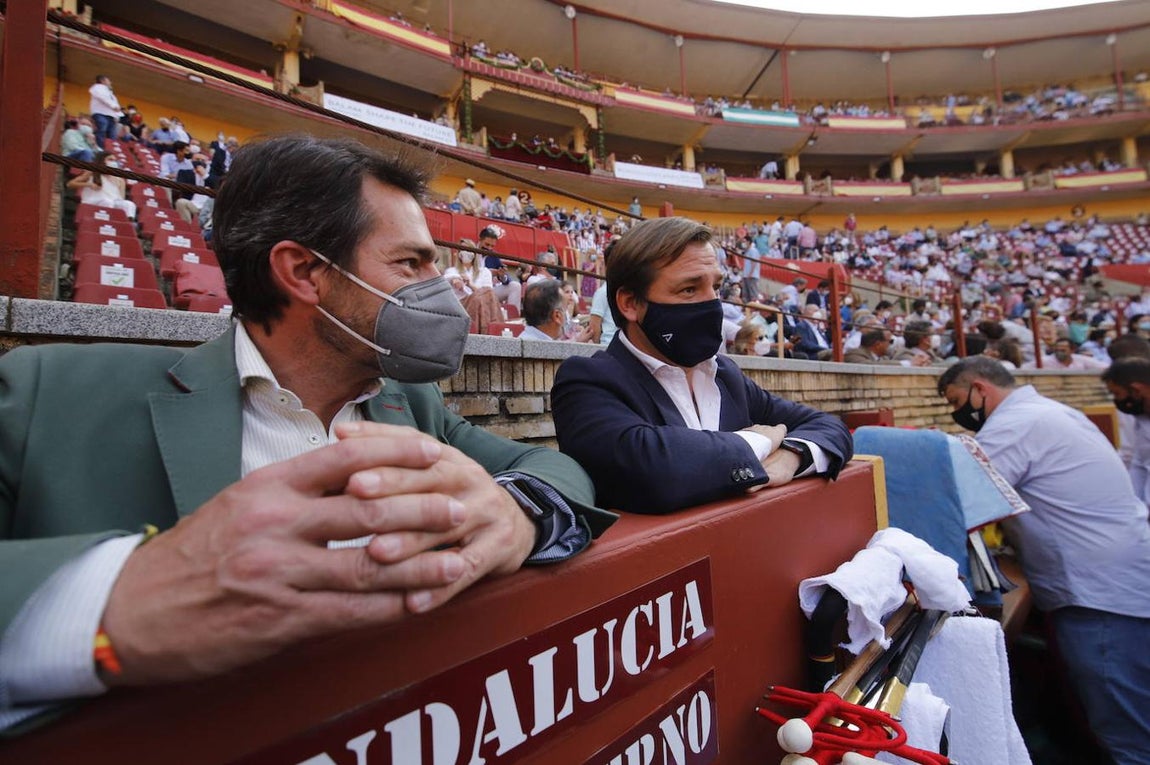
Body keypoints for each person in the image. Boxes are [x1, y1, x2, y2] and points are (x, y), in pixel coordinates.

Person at [0, 135, 615, 732]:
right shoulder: (45, 393)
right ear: (302, 272)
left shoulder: (413, 403)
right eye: (411, 263)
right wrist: (115, 599)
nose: (443, 288)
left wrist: (517, 513)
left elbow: (551, 468)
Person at [551, 217, 852, 515]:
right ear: (630, 303)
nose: (713, 304)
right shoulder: (587, 380)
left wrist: (792, 455)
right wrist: (759, 441)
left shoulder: (725, 376)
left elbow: (829, 426)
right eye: (689, 289)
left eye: (716, 287)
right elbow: (650, 468)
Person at [938, 358, 1150, 765]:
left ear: (980, 389)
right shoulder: (1046, 411)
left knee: (1125, 728)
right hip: (1116, 577)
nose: (956, 411)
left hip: (1099, 593)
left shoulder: (1014, 425)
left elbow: (957, 497)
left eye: (956, 400)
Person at [66, 151, 136, 220]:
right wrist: (89, 184)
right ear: (102, 161)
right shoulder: (92, 172)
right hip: (93, 201)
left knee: (129, 204)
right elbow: (70, 184)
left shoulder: (120, 180)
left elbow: (121, 198)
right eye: (110, 159)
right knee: (107, 202)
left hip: (113, 202)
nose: (113, 162)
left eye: (114, 160)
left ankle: (127, 224)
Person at [87, 75, 123, 147]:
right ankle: (99, 148)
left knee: (112, 134)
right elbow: (103, 98)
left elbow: (116, 104)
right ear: (102, 80)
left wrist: (117, 116)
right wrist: (114, 106)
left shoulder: (110, 93)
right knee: (102, 129)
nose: (110, 82)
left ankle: (110, 149)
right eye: (108, 81)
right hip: (100, 113)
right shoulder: (97, 87)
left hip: (110, 115)